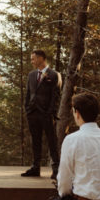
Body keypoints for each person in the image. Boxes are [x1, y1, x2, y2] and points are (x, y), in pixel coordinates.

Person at [22, 50, 61, 179]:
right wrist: (27, 109)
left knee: (52, 141)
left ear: (41, 58)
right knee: (35, 141)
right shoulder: (32, 75)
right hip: (32, 113)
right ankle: (35, 167)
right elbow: (28, 93)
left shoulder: (54, 75)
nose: (32, 61)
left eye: (33, 59)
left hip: (46, 114)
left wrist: (50, 113)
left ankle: (56, 169)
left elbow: (55, 96)